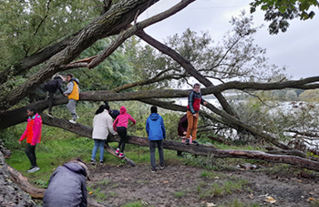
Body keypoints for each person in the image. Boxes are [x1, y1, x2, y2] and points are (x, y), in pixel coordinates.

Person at [19, 107, 42, 173]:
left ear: (32, 112)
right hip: (29, 138)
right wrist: (21, 138)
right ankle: (34, 165)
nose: (27, 113)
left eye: (28, 112)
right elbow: (27, 130)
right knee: (32, 152)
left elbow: (37, 131)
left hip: (33, 139)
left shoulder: (37, 119)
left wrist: (33, 141)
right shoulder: (30, 119)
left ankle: (34, 166)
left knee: (28, 151)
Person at [146, 106, 166, 173]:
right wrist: (164, 135)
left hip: (152, 137)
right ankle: (162, 164)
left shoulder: (148, 118)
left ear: (151, 111)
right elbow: (163, 127)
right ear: (157, 110)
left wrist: (150, 134)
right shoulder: (160, 117)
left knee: (152, 151)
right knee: (160, 149)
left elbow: (147, 128)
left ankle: (153, 168)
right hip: (159, 136)